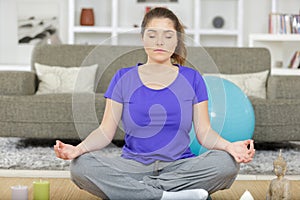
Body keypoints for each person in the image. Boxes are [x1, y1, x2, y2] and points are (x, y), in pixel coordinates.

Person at [54, 7, 255, 200]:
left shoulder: (192, 78)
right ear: (142, 39)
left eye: (168, 36)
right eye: (152, 35)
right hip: (132, 166)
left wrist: (230, 147)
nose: (160, 41)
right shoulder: (123, 78)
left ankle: (137, 193)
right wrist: (78, 149)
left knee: (226, 164)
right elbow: (105, 131)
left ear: (176, 41)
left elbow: (204, 133)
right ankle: (169, 196)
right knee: (81, 167)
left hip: (180, 167)